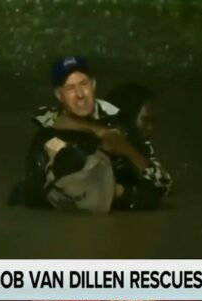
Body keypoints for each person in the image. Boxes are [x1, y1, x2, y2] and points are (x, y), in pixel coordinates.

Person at [11, 56, 171, 211]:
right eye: (70, 88)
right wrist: (99, 132)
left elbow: (163, 184)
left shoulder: (118, 122)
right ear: (59, 95)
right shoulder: (51, 124)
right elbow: (41, 115)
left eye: (84, 84)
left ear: (93, 85)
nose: (80, 94)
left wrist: (124, 149)